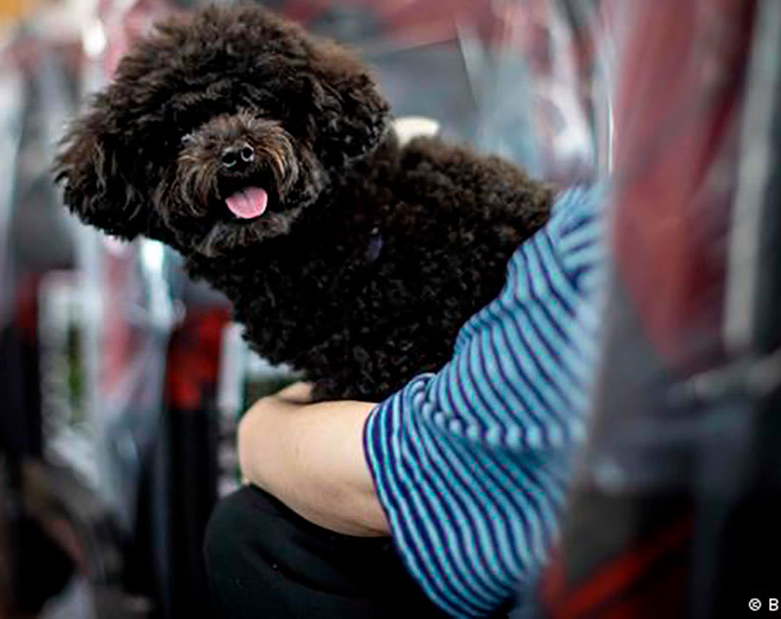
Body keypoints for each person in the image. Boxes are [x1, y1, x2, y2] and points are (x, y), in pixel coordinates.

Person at [204, 185, 606, 618]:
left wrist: (258, 431)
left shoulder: (608, 242)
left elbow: (422, 472)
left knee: (252, 530)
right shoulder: (621, 230)